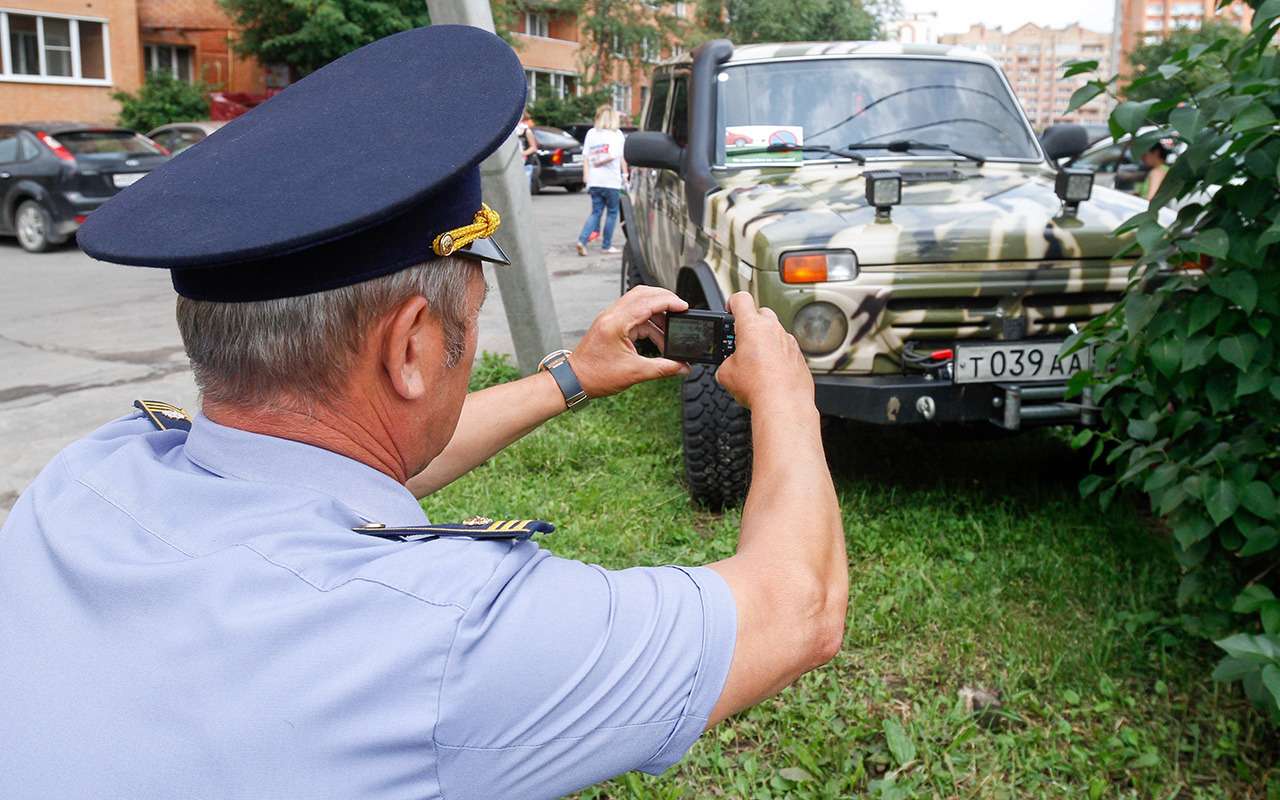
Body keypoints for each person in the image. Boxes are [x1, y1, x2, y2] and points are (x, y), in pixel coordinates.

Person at [0, 25, 847, 800]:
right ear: (410, 348)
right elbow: (798, 610)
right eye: (468, 321)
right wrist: (788, 395)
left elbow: (337, 465)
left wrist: (572, 377)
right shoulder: (442, 638)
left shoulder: (87, 479)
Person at [576, 105, 628, 256]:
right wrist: (625, 175)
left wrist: (586, 177)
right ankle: (606, 245)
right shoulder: (617, 134)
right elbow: (621, 158)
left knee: (596, 212)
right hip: (611, 181)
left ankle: (582, 240)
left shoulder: (591, 133)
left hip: (594, 180)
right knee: (612, 213)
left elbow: (585, 156)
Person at [517, 108, 539, 188]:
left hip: (526, 164)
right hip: (515, 164)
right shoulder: (513, 132)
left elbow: (533, 148)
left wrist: (522, 154)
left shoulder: (526, 131)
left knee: (524, 187)